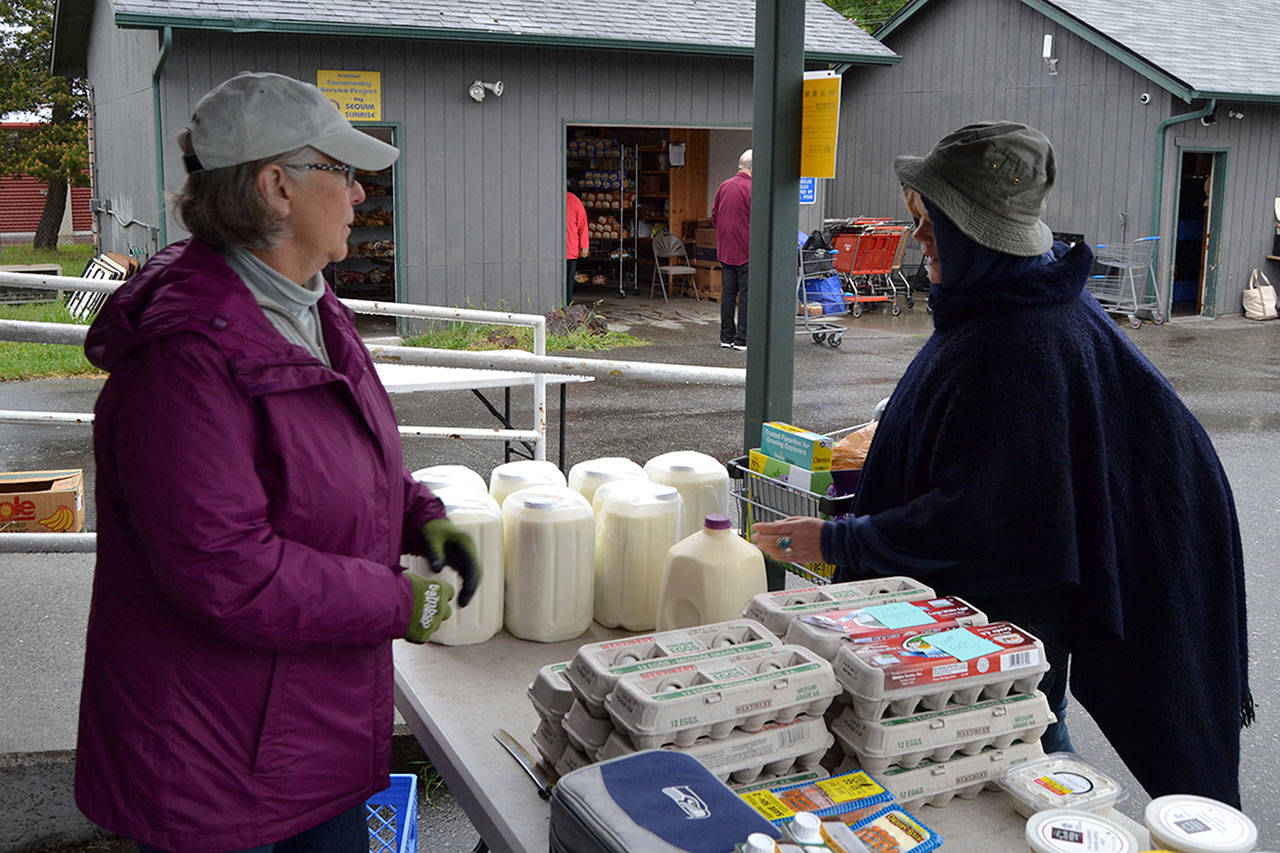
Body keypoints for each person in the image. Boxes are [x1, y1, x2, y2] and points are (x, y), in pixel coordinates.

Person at [752, 121, 1252, 806]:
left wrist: (836, 538)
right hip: (1017, 601)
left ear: (975, 233)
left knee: (1020, 740)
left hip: (1009, 619)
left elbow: (981, 519)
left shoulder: (1021, 340)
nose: (919, 238)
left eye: (932, 223)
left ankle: (1063, 814)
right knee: (1029, 731)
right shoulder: (1013, 299)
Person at [74, 71, 481, 853]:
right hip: (213, 756)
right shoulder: (183, 356)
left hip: (305, 728)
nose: (360, 195)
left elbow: (350, 457)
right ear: (276, 187)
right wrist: (402, 599)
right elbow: (225, 569)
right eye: (343, 172)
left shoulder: (313, 303)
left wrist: (423, 517)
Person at [711, 149, 751, 351]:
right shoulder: (753, 189)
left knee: (728, 295)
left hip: (726, 251)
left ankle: (726, 337)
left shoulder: (724, 186)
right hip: (747, 252)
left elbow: (715, 215)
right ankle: (742, 339)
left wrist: (723, 236)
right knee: (746, 296)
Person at [566, 188, 589, 300]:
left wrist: (584, 246)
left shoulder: (574, 200)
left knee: (569, 283)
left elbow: (583, 225)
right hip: (553, 251)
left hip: (570, 251)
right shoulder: (549, 200)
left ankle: (566, 306)